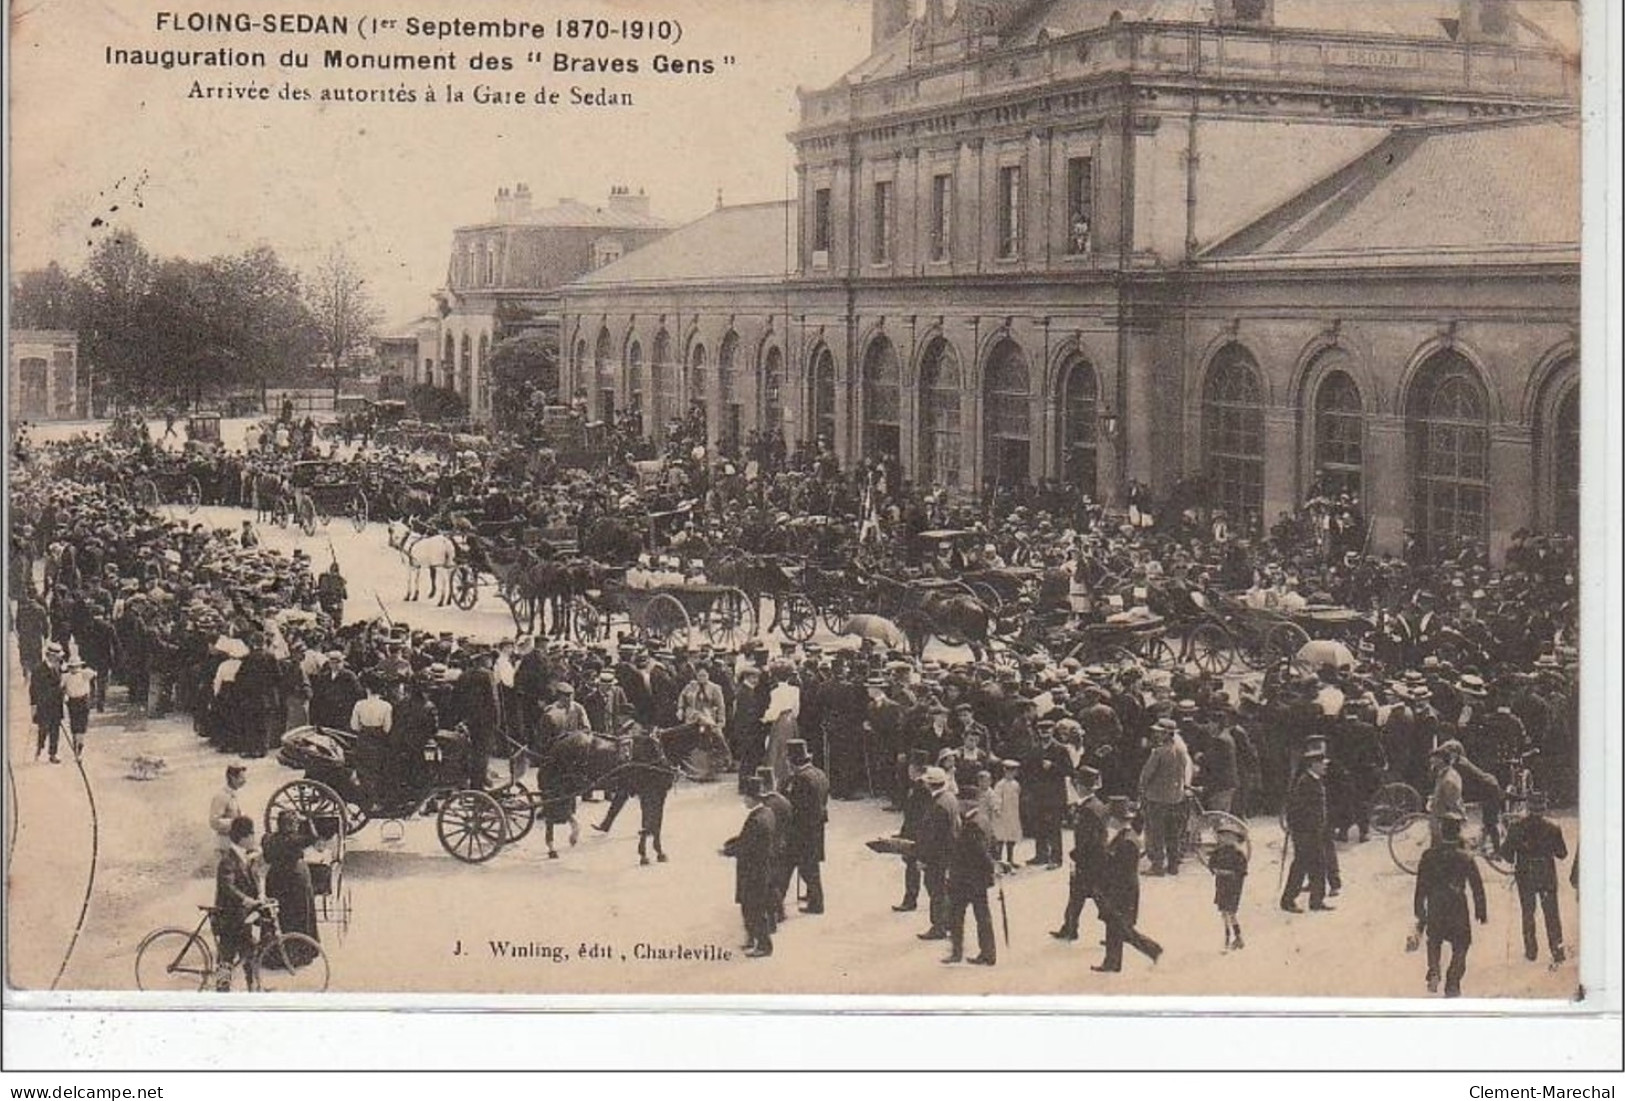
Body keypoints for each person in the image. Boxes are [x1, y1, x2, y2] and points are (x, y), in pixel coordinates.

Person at [1412, 812, 1488, 997]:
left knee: (1435, 940)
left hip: (1436, 904)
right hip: (1457, 905)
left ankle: (1434, 970)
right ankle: (1453, 981)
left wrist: (1419, 908)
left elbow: (1421, 884)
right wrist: (1481, 910)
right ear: (1458, 834)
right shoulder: (1465, 857)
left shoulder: (1428, 856)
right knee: (1462, 943)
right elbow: (1476, 885)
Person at [1093, 796, 1163, 973]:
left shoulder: (1127, 842)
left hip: (1122, 891)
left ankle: (1152, 950)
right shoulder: (1125, 836)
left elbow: (1121, 871)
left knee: (1120, 928)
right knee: (1116, 928)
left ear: (1117, 819)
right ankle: (1113, 963)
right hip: (1122, 890)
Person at [1499, 791, 1568, 966]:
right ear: (1544, 808)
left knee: (1528, 913)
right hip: (1546, 875)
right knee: (1552, 914)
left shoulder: (1516, 827)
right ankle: (1557, 951)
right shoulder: (1553, 828)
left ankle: (1531, 951)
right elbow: (1562, 854)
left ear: (1528, 807)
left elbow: (1506, 854)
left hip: (1525, 876)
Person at [1051, 766, 1107, 942]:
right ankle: (1069, 927)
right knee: (1077, 896)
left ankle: (1119, 932)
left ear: (1081, 786)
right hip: (1094, 861)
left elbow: (1087, 840)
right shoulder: (1097, 805)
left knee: (1100, 901)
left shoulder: (1087, 810)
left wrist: (1076, 857)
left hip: (1088, 862)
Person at [724, 776, 777, 958]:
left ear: (753, 798)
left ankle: (763, 945)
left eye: (746, 797)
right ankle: (754, 939)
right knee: (753, 906)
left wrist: (728, 851)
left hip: (753, 870)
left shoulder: (756, 819)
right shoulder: (767, 813)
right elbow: (747, 839)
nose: (744, 800)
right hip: (762, 867)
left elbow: (746, 845)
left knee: (753, 908)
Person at [1280, 745, 1334, 912]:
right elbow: (1297, 809)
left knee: (1318, 865)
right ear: (1313, 765)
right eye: (1321, 763)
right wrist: (1303, 829)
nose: (1325, 765)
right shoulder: (1305, 783)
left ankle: (1316, 901)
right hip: (1306, 832)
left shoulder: (1314, 781)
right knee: (1301, 866)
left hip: (1315, 831)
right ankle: (1288, 900)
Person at [943, 800, 998, 966]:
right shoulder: (984, 819)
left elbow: (980, 852)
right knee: (983, 916)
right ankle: (988, 953)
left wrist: (992, 866)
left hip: (965, 879)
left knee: (956, 915)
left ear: (966, 804)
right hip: (978, 880)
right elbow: (993, 842)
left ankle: (957, 952)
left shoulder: (971, 826)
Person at [213, 815, 264, 991]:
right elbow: (227, 887)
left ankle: (254, 988)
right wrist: (245, 899)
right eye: (252, 835)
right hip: (228, 918)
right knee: (226, 959)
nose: (254, 838)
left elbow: (252, 881)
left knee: (250, 952)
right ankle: (221, 995)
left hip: (241, 917)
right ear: (244, 837)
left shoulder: (244, 856)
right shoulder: (228, 859)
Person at [782, 739, 829, 915]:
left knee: (806, 867)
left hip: (803, 831)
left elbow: (795, 807)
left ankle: (817, 903)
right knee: (811, 863)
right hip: (817, 828)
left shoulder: (800, 780)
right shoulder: (819, 773)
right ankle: (812, 895)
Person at [1138, 718, 1190, 876]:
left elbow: (1146, 775)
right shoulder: (1181, 751)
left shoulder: (1158, 752)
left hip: (1157, 798)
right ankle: (1173, 865)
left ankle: (1158, 866)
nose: (1156, 735)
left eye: (1159, 732)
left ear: (1166, 734)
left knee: (1156, 833)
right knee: (1173, 833)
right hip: (1175, 798)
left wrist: (1141, 790)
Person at [261, 810, 319, 947]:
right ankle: (300, 951)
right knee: (298, 915)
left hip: (275, 880)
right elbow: (314, 838)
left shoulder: (267, 838)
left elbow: (267, 858)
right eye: (295, 823)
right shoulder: (294, 839)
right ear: (291, 825)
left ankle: (275, 952)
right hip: (295, 880)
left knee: (278, 916)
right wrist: (308, 820)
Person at [915, 766, 960, 941]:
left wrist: (923, 859)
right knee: (943, 889)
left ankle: (938, 926)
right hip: (949, 852)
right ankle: (946, 922)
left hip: (938, 856)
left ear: (930, 784)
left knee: (935, 889)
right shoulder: (950, 798)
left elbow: (933, 838)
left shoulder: (938, 806)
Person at [1208, 819, 1249, 951]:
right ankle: (1228, 935)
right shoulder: (1217, 852)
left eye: (1229, 837)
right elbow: (1211, 864)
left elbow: (1242, 871)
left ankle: (1236, 936)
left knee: (1231, 912)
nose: (1225, 839)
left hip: (1233, 887)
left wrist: (1230, 873)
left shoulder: (1238, 855)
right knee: (1223, 912)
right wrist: (1214, 869)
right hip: (1221, 884)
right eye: (1223, 836)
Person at [29, 642, 66, 762]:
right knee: (43, 728)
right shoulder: (38, 669)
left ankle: (53, 754)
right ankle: (40, 747)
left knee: (55, 729)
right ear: (50, 656)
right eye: (58, 656)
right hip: (44, 705)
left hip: (56, 704)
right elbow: (33, 689)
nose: (60, 658)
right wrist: (34, 706)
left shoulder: (58, 667)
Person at [989, 759, 1022, 870]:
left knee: (1011, 838)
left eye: (1013, 771)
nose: (1011, 774)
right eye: (1009, 771)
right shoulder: (1000, 785)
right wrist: (997, 809)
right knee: (1001, 838)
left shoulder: (1016, 784)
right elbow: (996, 798)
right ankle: (999, 862)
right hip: (1002, 815)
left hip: (1012, 814)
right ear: (1005, 771)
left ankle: (1010, 859)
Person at [209, 764, 248, 855]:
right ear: (232, 778)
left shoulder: (232, 794)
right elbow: (214, 822)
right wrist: (237, 822)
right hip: (225, 843)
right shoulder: (221, 796)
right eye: (241, 778)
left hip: (234, 840)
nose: (244, 781)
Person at [62, 656, 96, 759]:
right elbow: (62, 688)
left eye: (76, 667)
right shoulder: (66, 677)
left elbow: (93, 673)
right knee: (74, 725)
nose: (75, 669)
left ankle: (79, 746)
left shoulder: (84, 674)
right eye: (72, 667)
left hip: (82, 701)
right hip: (73, 702)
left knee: (81, 725)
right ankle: (76, 745)